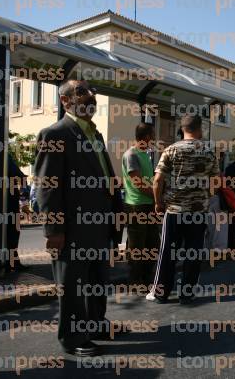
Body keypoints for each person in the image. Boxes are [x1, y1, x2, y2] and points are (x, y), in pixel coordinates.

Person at [34, 79, 123, 357]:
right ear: (65, 101)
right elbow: (48, 185)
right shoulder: (55, 134)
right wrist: (53, 229)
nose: (90, 96)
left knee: (97, 280)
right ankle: (72, 338)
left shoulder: (94, 134)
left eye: (91, 92)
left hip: (100, 224)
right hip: (72, 228)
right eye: (82, 92)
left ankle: (95, 325)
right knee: (72, 285)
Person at [149, 114, 219, 305]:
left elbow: (157, 181)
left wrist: (158, 203)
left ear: (182, 129)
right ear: (199, 129)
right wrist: (205, 196)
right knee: (193, 252)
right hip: (198, 212)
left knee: (167, 252)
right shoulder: (209, 152)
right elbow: (215, 183)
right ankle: (186, 293)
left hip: (174, 211)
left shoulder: (171, 150)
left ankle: (161, 293)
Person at [121, 123, 159, 285]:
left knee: (151, 243)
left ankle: (147, 277)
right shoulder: (132, 155)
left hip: (147, 204)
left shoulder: (145, 154)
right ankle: (136, 280)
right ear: (147, 137)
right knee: (138, 246)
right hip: (136, 206)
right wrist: (158, 196)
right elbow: (139, 184)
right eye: (153, 135)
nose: (155, 138)